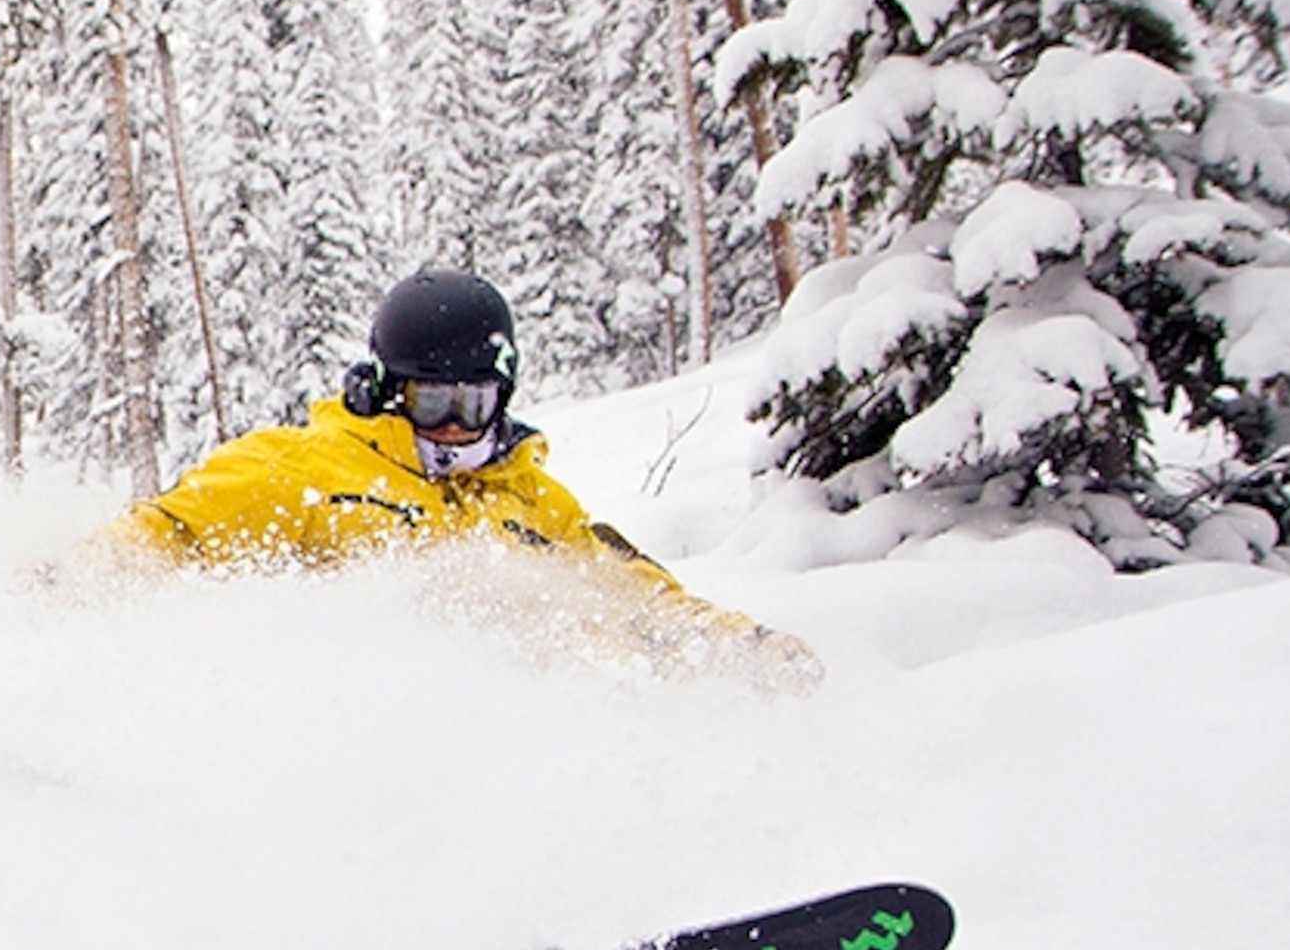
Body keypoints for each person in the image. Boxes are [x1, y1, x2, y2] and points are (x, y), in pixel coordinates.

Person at [100, 268, 819, 683]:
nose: (450, 423)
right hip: (382, 732)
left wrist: (741, 648)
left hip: (542, 727)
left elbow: (629, 592)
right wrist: (55, 599)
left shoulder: (532, 499)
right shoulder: (303, 467)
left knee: (607, 669)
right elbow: (169, 532)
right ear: (387, 389)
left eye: (472, 402)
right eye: (430, 400)